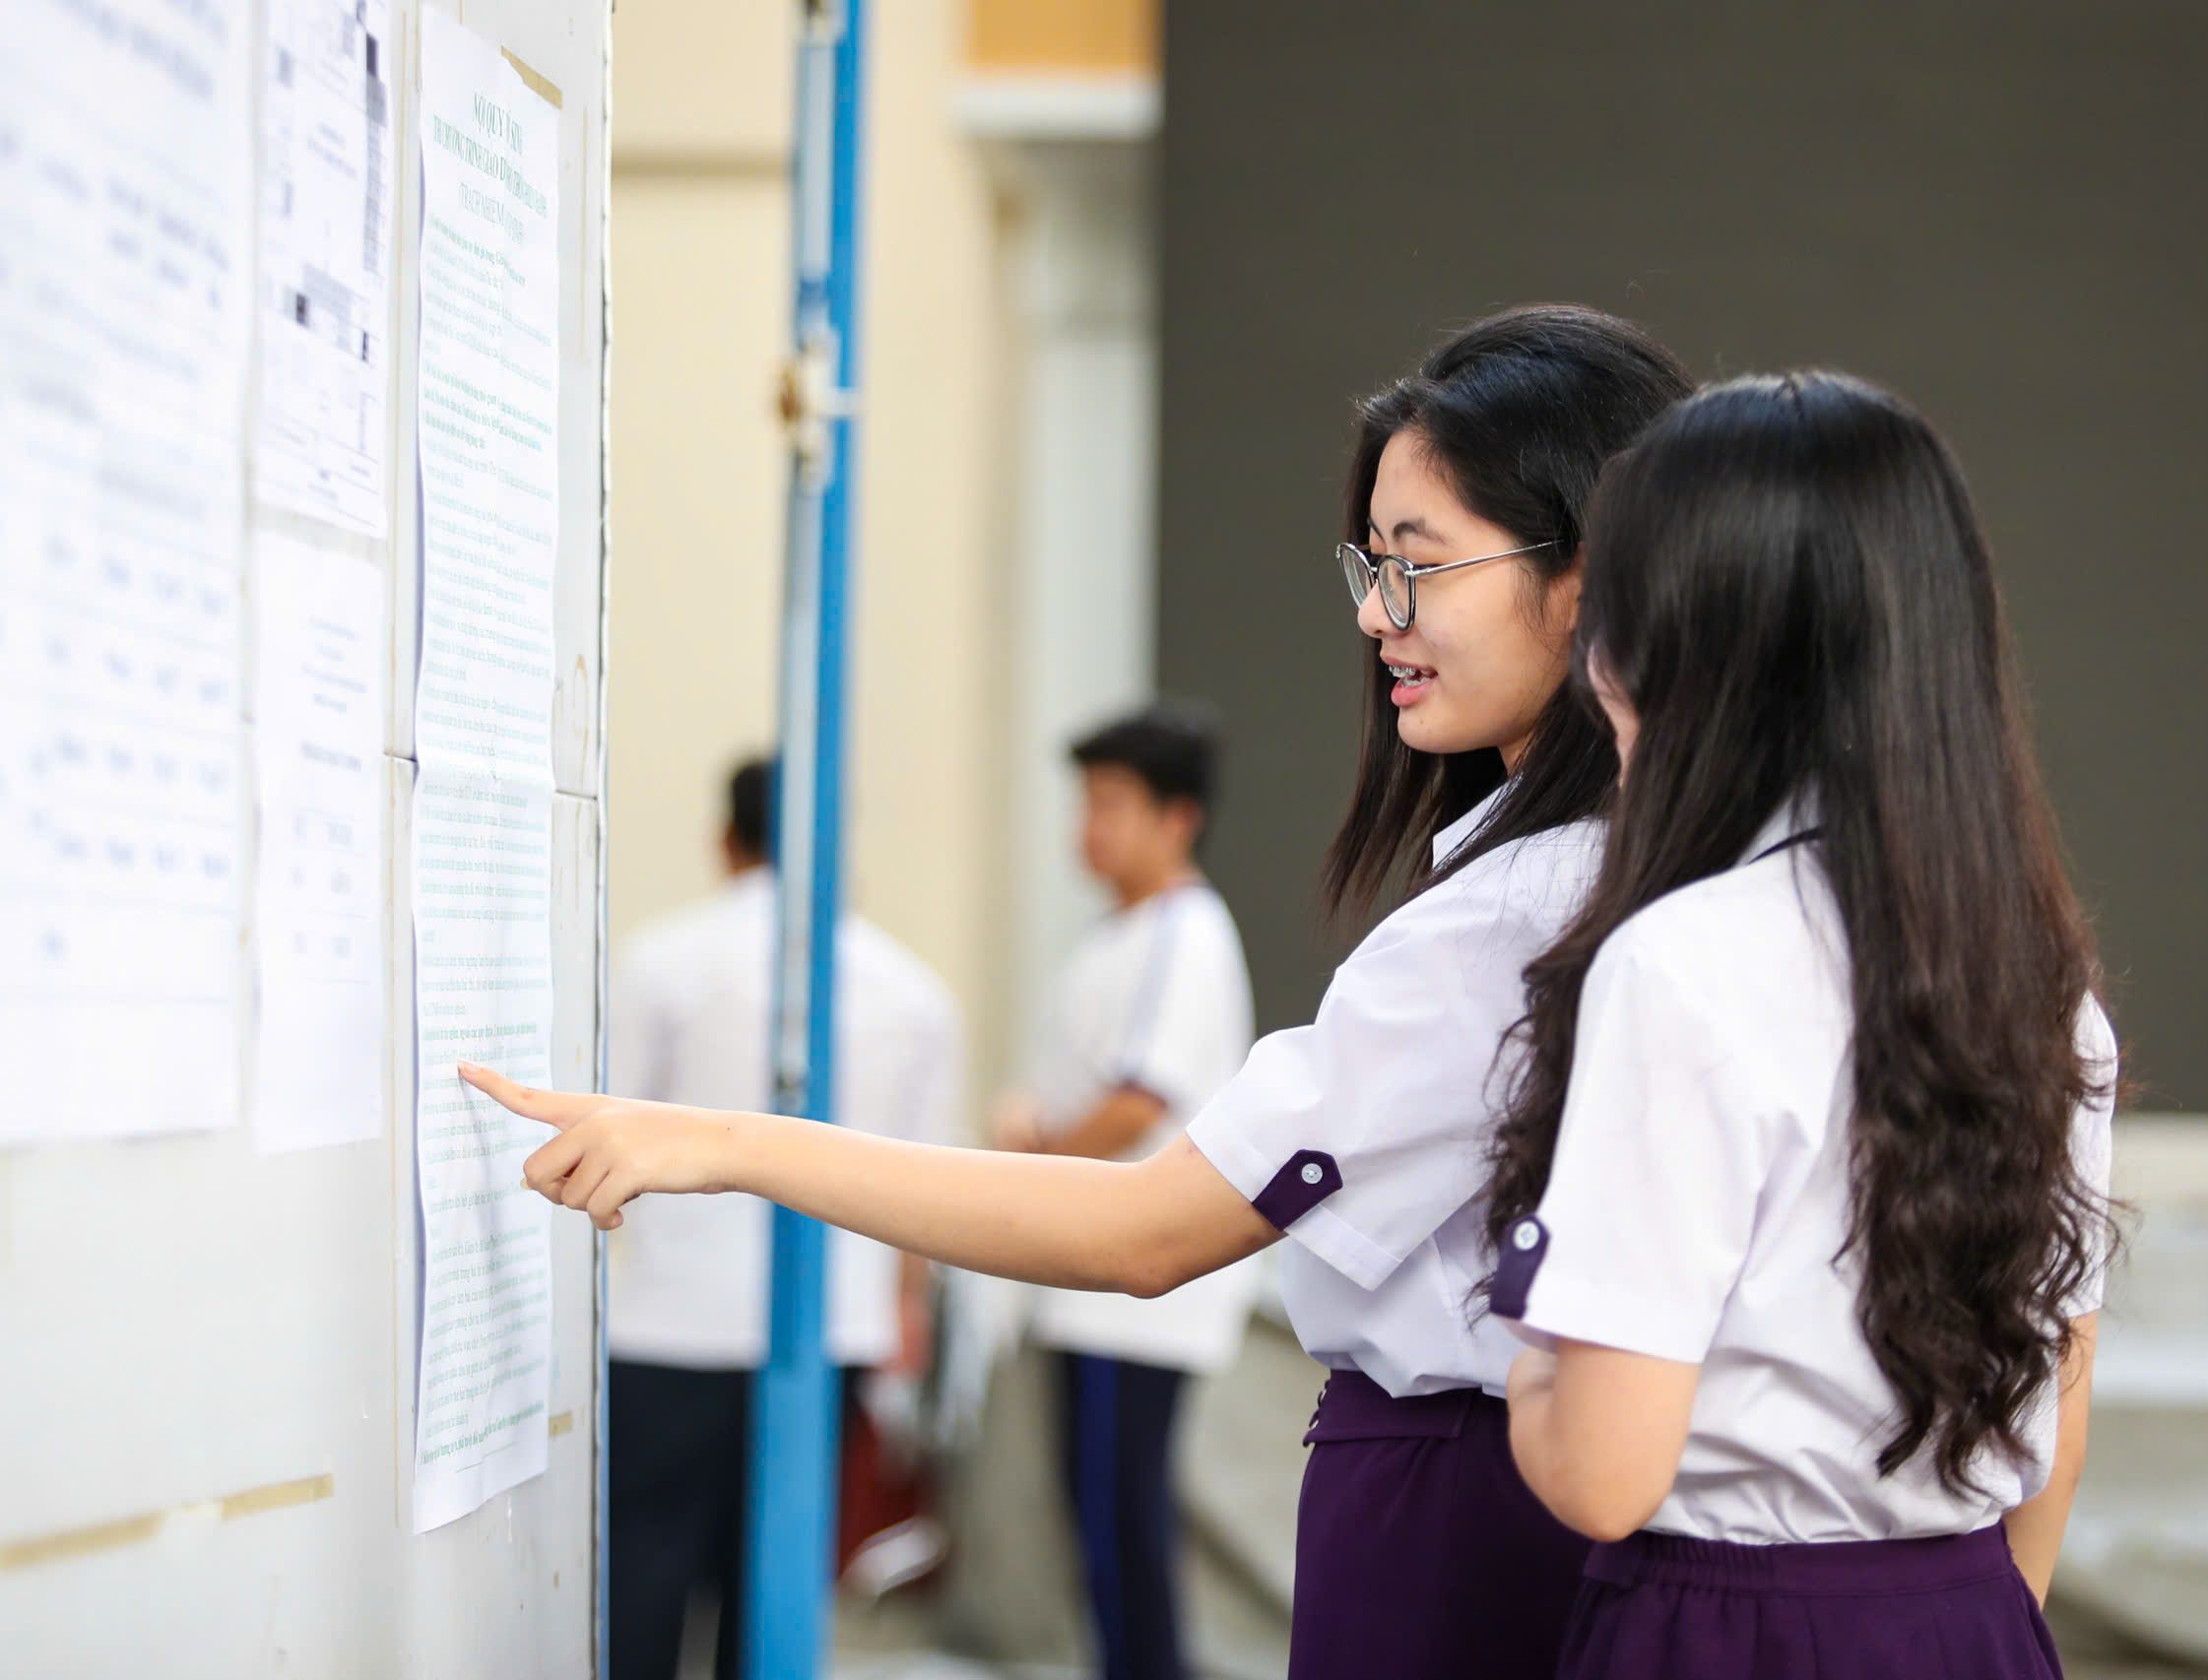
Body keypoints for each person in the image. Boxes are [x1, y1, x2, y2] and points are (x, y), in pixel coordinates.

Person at [463, 304, 1694, 1679]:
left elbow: (1146, 1221)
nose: (1373, 613)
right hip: (1488, 1481)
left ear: (1588, 578)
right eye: (1368, 563)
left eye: (1419, 566)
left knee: (1123, 1582)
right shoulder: (1641, 873)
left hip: (1438, 1489)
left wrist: (726, 1140)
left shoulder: (1497, 920)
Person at [1484, 371, 2119, 1679]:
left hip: (1726, 1628)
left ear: (1682, 653)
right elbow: (2065, 1387)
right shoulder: (2044, 985)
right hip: (1974, 1617)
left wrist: (1528, 1357)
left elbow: (1604, 1475)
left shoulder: (1680, 966)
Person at [601, 757, 963, 1680]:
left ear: (726, 841)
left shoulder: (663, 959)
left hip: (667, 1327)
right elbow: (931, 1190)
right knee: (775, 1583)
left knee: (642, 1570)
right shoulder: (913, 991)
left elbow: (605, 1129)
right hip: (829, 1327)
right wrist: (905, 1315)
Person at [991, 706, 1259, 1680]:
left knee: (1122, 1516)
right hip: (1087, 1282)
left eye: (1109, 803)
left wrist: (1030, 1161)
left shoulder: (1184, 933)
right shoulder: (1118, 934)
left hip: (1137, 1293)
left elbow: (1141, 1095)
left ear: (1176, 816)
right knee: (1099, 1515)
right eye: (1084, 802)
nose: (1087, 826)